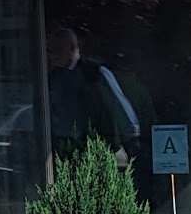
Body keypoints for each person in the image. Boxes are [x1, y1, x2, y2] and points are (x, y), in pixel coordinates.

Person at [45, 27, 141, 160]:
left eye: (58, 49)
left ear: (72, 48)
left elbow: (117, 102)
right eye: (51, 50)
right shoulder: (54, 77)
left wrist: (131, 136)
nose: (52, 54)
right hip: (63, 146)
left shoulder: (95, 72)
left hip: (93, 143)